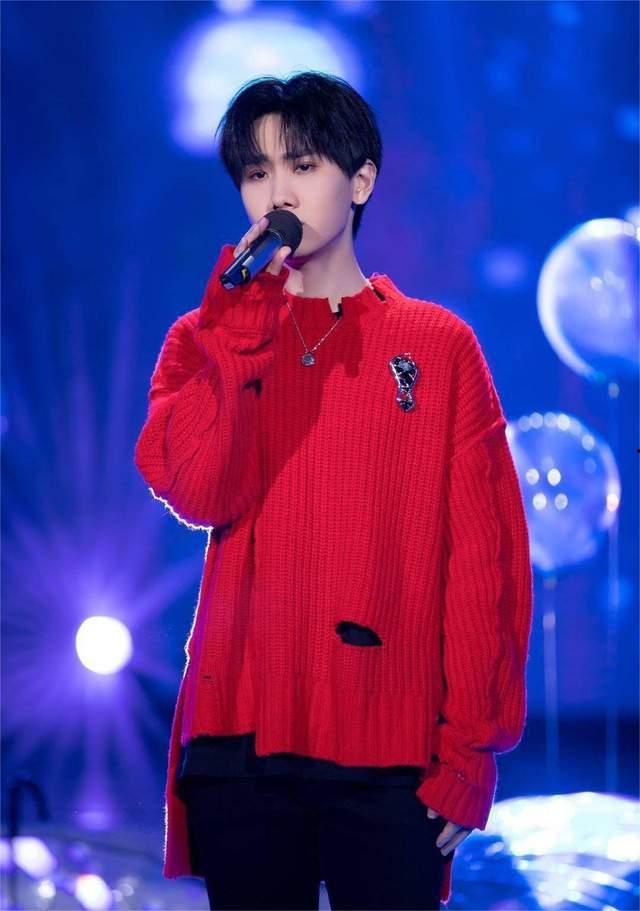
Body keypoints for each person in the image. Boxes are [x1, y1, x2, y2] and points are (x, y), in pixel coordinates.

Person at [133, 71, 534, 911]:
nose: (277, 193)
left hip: (391, 750)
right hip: (241, 739)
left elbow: (483, 562)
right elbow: (198, 489)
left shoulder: (437, 345)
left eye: (303, 165)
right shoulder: (205, 339)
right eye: (256, 172)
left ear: (360, 180)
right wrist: (238, 331)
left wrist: (469, 751)